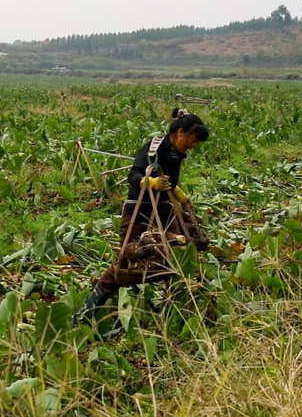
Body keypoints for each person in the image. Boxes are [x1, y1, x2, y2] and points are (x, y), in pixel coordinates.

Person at [78, 113, 210, 317]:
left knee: (178, 258)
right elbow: (134, 174)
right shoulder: (154, 149)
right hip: (140, 211)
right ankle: (86, 313)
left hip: (165, 211)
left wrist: (179, 195)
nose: (193, 146)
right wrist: (150, 182)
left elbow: (169, 180)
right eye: (192, 140)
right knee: (125, 263)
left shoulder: (177, 153)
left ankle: (172, 314)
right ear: (180, 132)